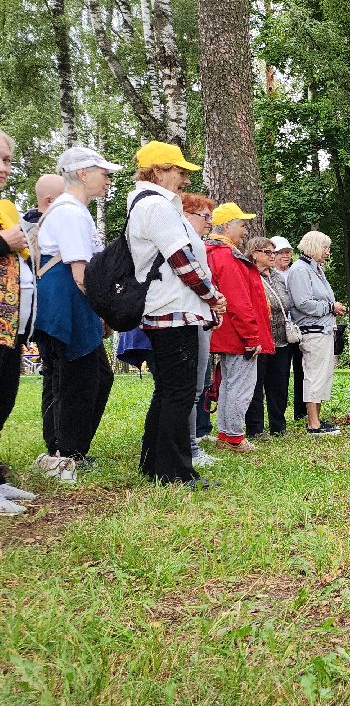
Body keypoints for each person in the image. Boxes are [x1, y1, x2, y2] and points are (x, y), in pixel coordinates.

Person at [128, 141, 225, 485]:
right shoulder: (156, 206)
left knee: (169, 389)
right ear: (158, 171)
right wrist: (212, 296)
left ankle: (155, 463)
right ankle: (175, 471)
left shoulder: (151, 204)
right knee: (179, 392)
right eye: (179, 171)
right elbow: (181, 260)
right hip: (172, 310)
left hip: (170, 309)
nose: (184, 179)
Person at [32, 145, 122, 482]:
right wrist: (105, 312)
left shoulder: (73, 210)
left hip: (70, 308)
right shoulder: (70, 212)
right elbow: (81, 274)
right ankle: (63, 454)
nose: (108, 179)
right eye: (104, 173)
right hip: (67, 308)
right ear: (83, 174)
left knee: (93, 376)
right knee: (74, 380)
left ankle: (69, 448)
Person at [205, 203, 271, 453]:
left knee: (228, 384)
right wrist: (251, 336)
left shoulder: (210, 252)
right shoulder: (226, 256)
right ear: (226, 226)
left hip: (224, 331)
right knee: (239, 385)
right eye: (241, 225)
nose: (245, 230)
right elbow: (239, 301)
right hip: (236, 333)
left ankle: (225, 433)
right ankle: (233, 436)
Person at [0, 131, 43, 512]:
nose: (4, 168)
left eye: (8, 160)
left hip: (10, 326)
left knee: (4, 398)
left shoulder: (6, 206)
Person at [288, 230, 345, 434]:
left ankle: (317, 420)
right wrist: (330, 307)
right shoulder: (300, 270)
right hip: (312, 330)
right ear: (313, 246)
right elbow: (302, 302)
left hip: (325, 329)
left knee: (323, 375)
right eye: (325, 247)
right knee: (313, 375)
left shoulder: (316, 269)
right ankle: (313, 423)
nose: (328, 252)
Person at [180, 194, 217, 467]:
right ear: (187, 215)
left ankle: (190, 445)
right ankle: (189, 449)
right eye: (205, 216)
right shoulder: (182, 241)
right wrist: (214, 297)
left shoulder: (197, 243)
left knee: (199, 387)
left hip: (202, 317)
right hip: (188, 318)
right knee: (188, 389)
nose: (210, 222)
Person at [245, 238, 296, 438]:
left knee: (279, 385)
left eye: (273, 252)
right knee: (256, 386)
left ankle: (278, 425)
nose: (272, 256)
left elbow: (285, 302)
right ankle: (255, 428)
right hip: (260, 340)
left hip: (281, 339)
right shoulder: (249, 275)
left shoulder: (277, 276)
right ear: (254, 253)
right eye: (268, 252)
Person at [272, 236, 305, 419]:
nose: (285, 256)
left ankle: (300, 412)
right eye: (281, 253)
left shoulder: (295, 272)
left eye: (288, 252)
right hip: (279, 331)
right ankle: (279, 414)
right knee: (281, 374)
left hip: (298, 328)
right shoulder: (268, 275)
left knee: (301, 370)